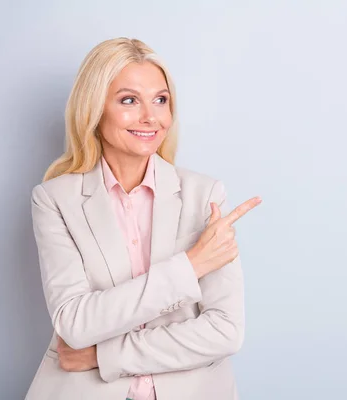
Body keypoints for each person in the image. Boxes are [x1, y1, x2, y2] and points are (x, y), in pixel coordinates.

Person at [25, 37, 261, 400]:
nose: (151, 117)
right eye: (129, 100)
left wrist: (104, 355)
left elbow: (225, 331)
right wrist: (190, 266)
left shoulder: (205, 196)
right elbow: (75, 323)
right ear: (94, 109)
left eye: (161, 100)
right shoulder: (55, 200)